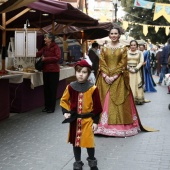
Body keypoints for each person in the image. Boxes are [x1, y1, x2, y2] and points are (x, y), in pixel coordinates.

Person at [94, 27, 150, 137]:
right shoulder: (104, 48)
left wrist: (114, 76)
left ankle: (118, 127)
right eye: (112, 33)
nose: (114, 35)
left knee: (117, 100)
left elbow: (123, 64)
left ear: (119, 35)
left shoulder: (123, 48)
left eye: (116, 33)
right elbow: (102, 62)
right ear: (109, 35)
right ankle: (100, 127)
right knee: (103, 99)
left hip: (119, 78)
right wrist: (105, 75)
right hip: (104, 78)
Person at [60, 60, 102, 170]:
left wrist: (96, 122)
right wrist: (65, 112)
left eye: (84, 72)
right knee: (75, 142)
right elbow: (63, 100)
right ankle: (77, 163)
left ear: (88, 74)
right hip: (75, 120)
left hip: (88, 120)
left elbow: (97, 107)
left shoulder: (93, 88)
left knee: (89, 142)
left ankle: (92, 162)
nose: (81, 74)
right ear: (75, 73)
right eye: (78, 72)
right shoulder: (71, 87)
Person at [36, 33, 61, 113]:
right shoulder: (44, 48)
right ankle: (47, 107)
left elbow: (57, 58)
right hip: (46, 71)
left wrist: (45, 59)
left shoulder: (56, 47)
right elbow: (38, 54)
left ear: (50, 39)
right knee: (46, 89)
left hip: (54, 71)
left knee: (52, 90)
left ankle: (51, 108)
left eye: (45, 38)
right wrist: (29, 52)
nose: (44, 39)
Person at [127, 40, 145, 105]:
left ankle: (137, 99)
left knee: (136, 84)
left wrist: (135, 69)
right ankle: (128, 99)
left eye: (134, 45)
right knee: (129, 84)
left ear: (137, 46)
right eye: (131, 45)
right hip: (128, 71)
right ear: (130, 46)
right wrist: (129, 68)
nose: (133, 46)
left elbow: (141, 62)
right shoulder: (126, 52)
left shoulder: (140, 53)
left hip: (136, 72)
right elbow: (123, 62)